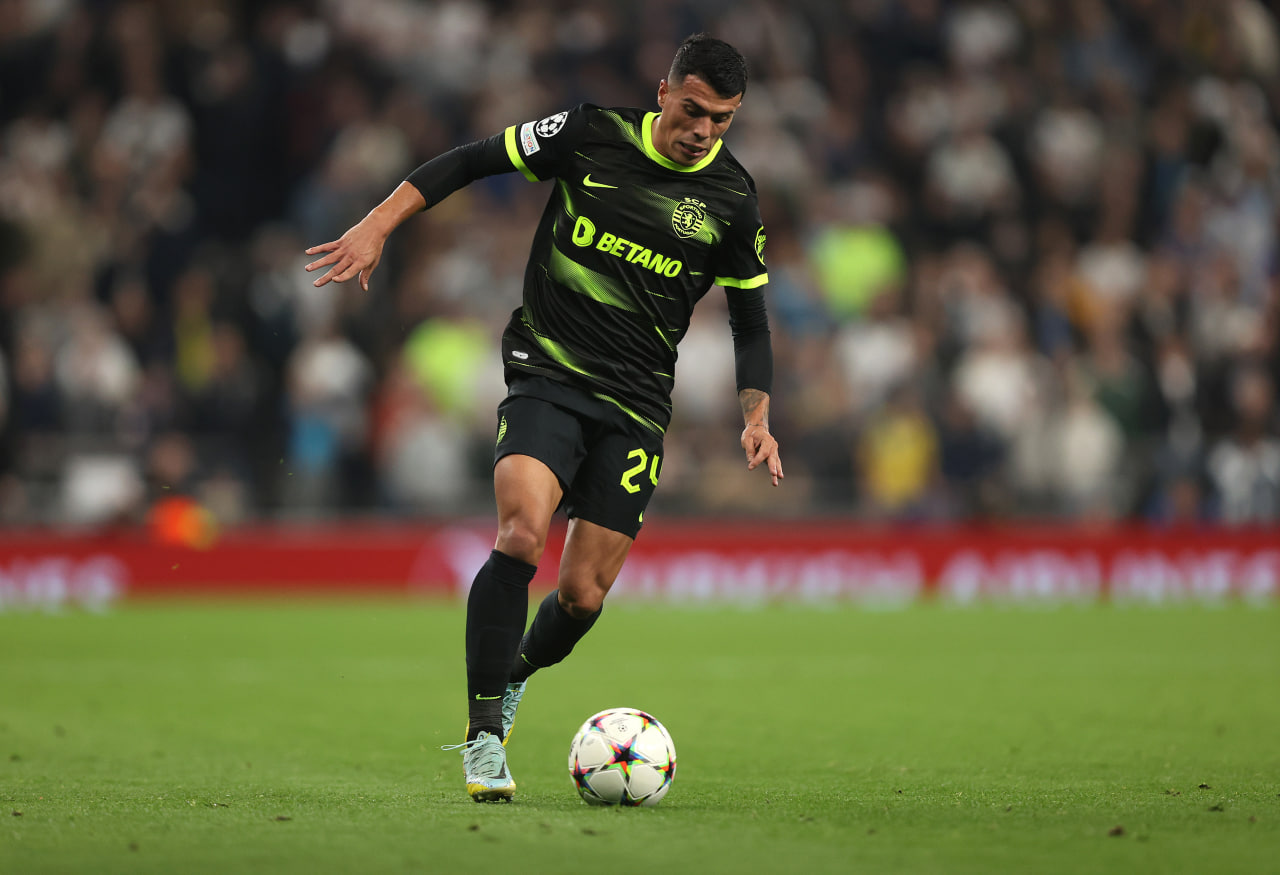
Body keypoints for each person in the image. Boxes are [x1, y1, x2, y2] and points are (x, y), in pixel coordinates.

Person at [306, 33, 782, 803]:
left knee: (583, 595)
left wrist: (756, 414)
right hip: (549, 375)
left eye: (721, 120)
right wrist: (378, 224)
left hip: (636, 407)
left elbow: (751, 322)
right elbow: (468, 159)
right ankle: (484, 734)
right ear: (664, 90)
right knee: (521, 531)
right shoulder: (590, 132)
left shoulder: (731, 199)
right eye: (692, 110)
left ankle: (517, 670)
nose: (702, 130)